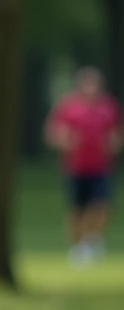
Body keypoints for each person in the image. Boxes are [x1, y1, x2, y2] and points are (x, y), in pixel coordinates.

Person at [45, 66, 123, 264]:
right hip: (75, 167)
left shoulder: (108, 107)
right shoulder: (68, 107)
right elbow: (52, 133)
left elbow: (117, 132)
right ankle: (77, 247)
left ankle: (91, 241)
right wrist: (66, 140)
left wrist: (114, 142)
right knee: (76, 210)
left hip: (101, 167)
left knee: (101, 206)